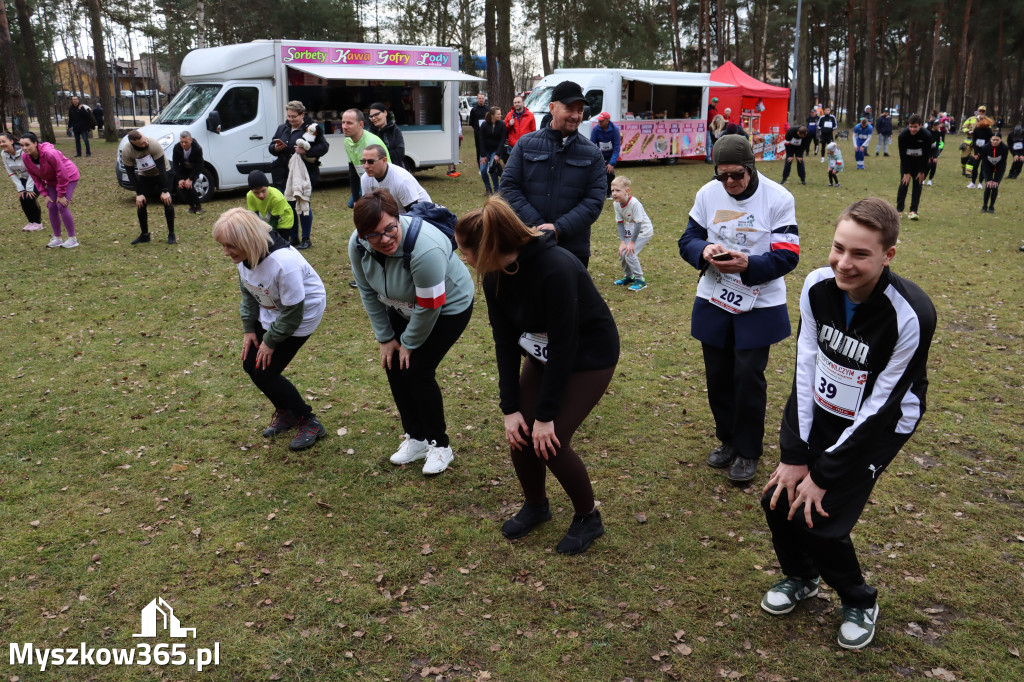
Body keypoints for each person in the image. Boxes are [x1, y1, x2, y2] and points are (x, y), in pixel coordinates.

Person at [760, 197, 935, 651]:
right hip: (827, 402)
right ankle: (802, 577)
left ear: (887, 255)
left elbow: (880, 406)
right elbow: (806, 366)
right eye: (839, 248)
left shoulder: (911, 315)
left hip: (884, 421)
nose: (844, 263)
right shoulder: (817, 287)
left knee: (823, 515)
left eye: (860, 254)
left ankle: (859, 600)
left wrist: (824, 474)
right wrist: (796, 455)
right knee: (778, 498)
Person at [453, 196, 619, 555]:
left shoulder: (556, 268)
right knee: (520, 434)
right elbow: (505, 341)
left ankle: (588, 517)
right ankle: (536, 505)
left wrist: (545, 417)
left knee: (551, 441)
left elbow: (564, 346)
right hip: (543, 350)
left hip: (588, 355)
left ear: (487, 247)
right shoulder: (494, 275)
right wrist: (510, 408)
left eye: (464, 250)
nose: (462, 258)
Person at [678, 135, 800, 483]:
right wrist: (702, 250)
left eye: (737, 175)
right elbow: (687, 239)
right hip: (716, 296)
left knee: (747, 376)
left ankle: (748, 451)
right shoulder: (707, 194)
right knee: (718, 375)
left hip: (759, 301)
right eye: (722, 176)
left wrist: (749, 264)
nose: (729, 183)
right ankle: (728, 440)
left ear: (751, 168)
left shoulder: (778, 198)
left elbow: (788, 254)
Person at [348, 189, 474, 476]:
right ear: (362, 234)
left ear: (398, 218)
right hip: (402, 304)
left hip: (447, 307)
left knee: (417, 368)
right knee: (392, 363)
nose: (385, 239)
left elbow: (430, 307)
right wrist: (386, 338)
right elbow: (368, 292)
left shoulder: (425, 249)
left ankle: (439, 445)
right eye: (374, 235)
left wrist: (408, 343)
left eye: (389, 228)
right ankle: (415, 438)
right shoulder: (357, 246)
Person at [212, 208, 328, 451]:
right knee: (250, 364)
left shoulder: (284, 264)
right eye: (223, 245)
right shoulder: (245, 257)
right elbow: (248, 292)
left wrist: (270, 341)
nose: (225, 252)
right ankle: (287, 412)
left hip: (301, 314)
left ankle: (308, 421)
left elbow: (293, 313)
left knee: (265, 371)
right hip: (274, 306)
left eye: (230, 245)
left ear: (247, 240)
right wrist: (249, 329)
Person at [500, 80, 606, 268]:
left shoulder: (592, 154)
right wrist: (539, 228)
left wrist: (559, 229)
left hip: (572, 250)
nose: (576, 115)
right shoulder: (525, 144)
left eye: (580, 110)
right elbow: (508, 189)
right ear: (552, 108)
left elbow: (594, 201)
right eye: (569, 108)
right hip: (527, 243)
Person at [269, 101, 329, 248]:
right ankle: (293, 238)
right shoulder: (282, 128)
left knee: (303, 204)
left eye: (294, 116)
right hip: (283, 174)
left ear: (302, 114)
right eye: (288, 116)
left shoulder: (311, 129)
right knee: (288, 207)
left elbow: (324, 146)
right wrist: (276, 148)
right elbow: (271, 146)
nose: (290, 119)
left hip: (304, 173)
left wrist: (306, 151)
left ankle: (306, 239)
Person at [19, 132, 81, 249]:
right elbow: (34, 176)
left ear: (35, 143)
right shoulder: (25, 157)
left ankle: (72, 239)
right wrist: (44, 193)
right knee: (51, 206)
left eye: (27, 145)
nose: (24, 148)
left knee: (61, 205)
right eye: (22, 145)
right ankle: (57, 238)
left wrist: (61, 194)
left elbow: (61, 173)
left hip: (69, 176)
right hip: (52, 180)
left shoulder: (49, 153)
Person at [122, 130, 175, 245]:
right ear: (133, 144)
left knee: (167, 201)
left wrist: (165, 190)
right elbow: (130, 173)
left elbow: (161, 168)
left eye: (145, 140)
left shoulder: (153, 144)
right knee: (141, 203)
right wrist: (139, 194)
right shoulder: (127, 151)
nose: (145, 143)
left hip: (163, 173)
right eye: (142, 143)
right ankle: (144, 235)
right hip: (145, 175)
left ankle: (171, 234)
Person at [610, 175, 653, 291]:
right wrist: (622, 242)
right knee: (623, 253)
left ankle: (640, 280)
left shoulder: (634, 204)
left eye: (617, 191)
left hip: (644, 231)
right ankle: (629, 277)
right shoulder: (616, 204)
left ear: (627, 191)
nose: (614, 193)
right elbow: (620, 223)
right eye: (612, 191)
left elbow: (638, 224)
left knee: (630, 253)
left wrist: (632, 243)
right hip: (632, 230)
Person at [341, 108, 389, 210]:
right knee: (353, 205)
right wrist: (355, 199)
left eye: (349, 123)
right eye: (343, 122)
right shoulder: (347, 141)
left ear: (361, 125)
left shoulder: (371, 143)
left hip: (380, 181)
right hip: (364, 179)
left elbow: (382, 174)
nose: (344, 127)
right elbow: (352, 170)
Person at [359, 144, 431, 210]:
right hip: (396, 216)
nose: (366, 166)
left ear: (384, 160)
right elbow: (369, 207)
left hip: (422, 214)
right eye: (363, 161)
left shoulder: (401, 180)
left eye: (370, 162)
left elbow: (415, 213)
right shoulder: (365, 178)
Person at [1, 131, 43, 232]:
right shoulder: (3, 154)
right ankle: (31, 222)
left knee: (30, 197)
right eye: (0, 142)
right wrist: (20, 188)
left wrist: (28, 188)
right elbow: (11, 172)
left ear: (11, 141)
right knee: (23, 198)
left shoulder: (24, 151)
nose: (2, 144)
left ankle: (38, 223)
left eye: (4, 141)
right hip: (24, 177)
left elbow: (32, 170)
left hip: (36, 177)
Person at [895, 114, 934, 221]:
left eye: (915, 127)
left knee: (918, 184)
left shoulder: (927, 135)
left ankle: (913, 211)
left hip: (920, 162)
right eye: (911, 127)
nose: (912, 129)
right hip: (907, 161)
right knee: (904, 183)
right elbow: (902, 155)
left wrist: (922, 171)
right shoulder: (903, 135)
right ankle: (898, 210)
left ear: (920, 125)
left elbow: (927, 154)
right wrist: (906, 172)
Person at [245, 170, 293, 241]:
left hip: (283, 219)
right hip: (268, 219)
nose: (261, 195)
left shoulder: (276, 198)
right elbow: (254, 215)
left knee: (281, 243)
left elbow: (274, 220)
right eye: (256, 193)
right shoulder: (250, 196)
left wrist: (269, 235)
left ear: (268, 187)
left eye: (263, 191)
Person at [171, 131, 204, 214]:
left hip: (194, 169)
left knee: (190, 186)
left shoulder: (197, 149)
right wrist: (180, 178)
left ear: (191, 140)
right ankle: (192, 206)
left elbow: (199, 165)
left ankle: (198, 207)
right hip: (184, 169)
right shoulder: (177, 147)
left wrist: (191, 179)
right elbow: (175, 164)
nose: (183, 144)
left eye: (186, 142)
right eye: (182, 142)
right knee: (183, 187)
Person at [590, 112, 621, 199]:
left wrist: (612, 163)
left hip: (611, 154)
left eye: (601, 121)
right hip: (600, 154)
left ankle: (610, 193)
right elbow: (592, 144)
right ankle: (598, 192)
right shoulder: (596, 129)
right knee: (598, 173)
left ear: (607, 121)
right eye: (598, 120)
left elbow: (617, 147)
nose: (599, 122)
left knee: (610, 173)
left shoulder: (615, 130)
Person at [478, 106, 506, 196]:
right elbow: (481, 140)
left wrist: (497, 155)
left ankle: (497, 190)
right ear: (493, 115)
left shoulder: (502, 124)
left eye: (500, 113)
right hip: (485, 151)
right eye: (498, 114)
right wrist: (482, 155)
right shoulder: (484, 125)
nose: (500, 115)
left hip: (496, 150)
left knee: (492, 168)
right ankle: (488, 189)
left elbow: (502, 140)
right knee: (483, 170)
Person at [368, 102, 405, 170]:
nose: (373, 118)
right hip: (376, 171)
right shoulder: (369, 133)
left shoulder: (395, 130)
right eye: (371, 116)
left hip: (394, 169)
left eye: (376, 114)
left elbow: (400, 153)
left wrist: (378, 156)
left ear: (385, 112)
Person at [979, 131, 1008, 213]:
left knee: (995, 186)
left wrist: (995, 179)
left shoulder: (1004, 148)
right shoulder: (985, 148)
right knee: (988, 186)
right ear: (990, 139)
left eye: (997, 140)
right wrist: (988, 179)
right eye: (993, 140)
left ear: (1001, 140)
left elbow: (1003, 164)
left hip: (999, 168)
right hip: (988, 168)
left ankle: (991, 207)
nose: (995, 142)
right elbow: (984, 163)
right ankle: (984, 206)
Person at [504, 95, 537, 159]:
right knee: (514, 166)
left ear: (523, 103)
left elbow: (533, 131)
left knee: (525, 166)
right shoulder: (509, 115)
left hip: (526, 145)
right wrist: (509, 125)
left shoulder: (530, 115)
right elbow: (504, 129)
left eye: (518, 102)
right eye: (515, 103)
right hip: (512, 146)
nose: (517, 104)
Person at [967, 115, 993, 189]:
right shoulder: (976, 129)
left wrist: (984, 152)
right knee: (975, 166)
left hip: (985, 151)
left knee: (983, 167)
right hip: (977, 151)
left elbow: (989, 142)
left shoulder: (988, 130)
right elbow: (974, 140)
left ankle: (980, 183)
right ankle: (973, 182)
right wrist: (976, 152)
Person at [468, 92, 489, 160]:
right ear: (477, 99)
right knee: (479, 148)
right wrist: (477, 128)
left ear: (484, 99)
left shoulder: (488, 109)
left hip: (487, 133)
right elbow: (471, 122)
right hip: (478, 133)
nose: (481, 100)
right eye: (479, 98)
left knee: (487, 148)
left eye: (482, 98)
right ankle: (480, 165)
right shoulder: (474, 110)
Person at [924, 119, 943, 186]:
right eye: (938, 125)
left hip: (934, 150)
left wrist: (935, 156)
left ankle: (930, 180)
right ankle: (923, 179)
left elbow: (938, 144)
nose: (939, 126)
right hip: (926, 151)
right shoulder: (927, 131)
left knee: (934, 165)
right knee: (928, 165)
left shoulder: (938, 133)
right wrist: (928, 156)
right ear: (933, 125)